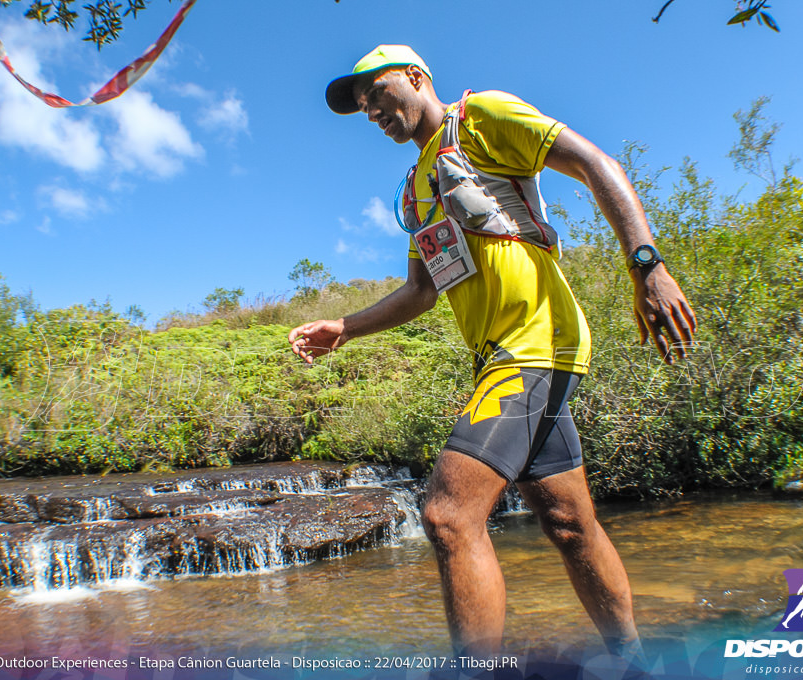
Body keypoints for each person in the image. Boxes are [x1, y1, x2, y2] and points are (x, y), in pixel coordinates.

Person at [289, 45, 696, 658]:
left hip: (535, 344)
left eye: (378, 91)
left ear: (417, 77)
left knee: (449, 516)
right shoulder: (414, 190)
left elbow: (595, 164)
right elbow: (422, 290)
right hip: (505, 358)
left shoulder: (480, 117)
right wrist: (345, 326)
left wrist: (647, 265)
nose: (371, 108)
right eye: (363, 105)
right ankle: (636, 664)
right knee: (568, 524)